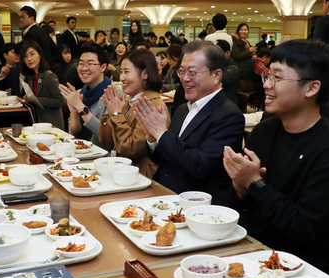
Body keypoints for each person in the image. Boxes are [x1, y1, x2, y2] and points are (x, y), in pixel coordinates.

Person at [223, 39, 329, 272]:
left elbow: (306, 231)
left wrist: (255, 184)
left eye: (278, 77)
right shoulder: (264, 131)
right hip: (248, 250)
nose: (267, 85)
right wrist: (240, 187)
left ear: (311, 88)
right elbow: (238, 207)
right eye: (268, 75)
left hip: (295, 268)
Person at [135, 40, 244, 205]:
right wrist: (152, 139)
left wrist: (161, 134)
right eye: (181, 71)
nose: (185, 79)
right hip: (163, 195)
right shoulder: (182, 110)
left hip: (197, 206)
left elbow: (199, 166)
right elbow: (162, 158)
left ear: (216, 75)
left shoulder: (229, 116)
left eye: (192, 72)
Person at [98, 49, 167, 178]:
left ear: (145, 74)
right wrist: (111, 111)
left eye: (126, 72)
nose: (122, 77)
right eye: (121, 71)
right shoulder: (130, 101)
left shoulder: (151, 104)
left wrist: (117, 114)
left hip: (141, 175)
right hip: (123, 170)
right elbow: (106, 142)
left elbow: (130, 149)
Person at [60, 43, 119, 148]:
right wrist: (74, 114)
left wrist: (81, 108)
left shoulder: (114, 94)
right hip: (79, 152)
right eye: (81, 63)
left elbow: (108, 137)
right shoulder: (79, 93)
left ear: (103, 67)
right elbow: (73, 132)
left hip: (104, 157)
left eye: (90, 64)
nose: (84, 68)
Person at [19, 40, 65, 129]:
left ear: (40, 55)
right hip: (38, 123)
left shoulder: (49, 76)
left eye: (32, 54)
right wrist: (28, 99)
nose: (29, 59)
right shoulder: (31, 77)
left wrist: (35, 99)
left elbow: (61, 101)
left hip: (52, 125)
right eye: (25, 56)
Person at [217, 39, 240, 106]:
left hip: (228, 104)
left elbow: (221, 79)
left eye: (218, 53)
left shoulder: (233, 69)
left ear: (227, 53)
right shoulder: (216, 66)